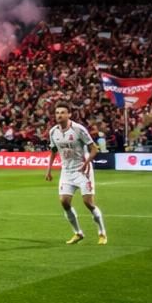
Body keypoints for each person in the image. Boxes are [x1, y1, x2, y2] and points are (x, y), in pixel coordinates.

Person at [44, 105, 108, 245]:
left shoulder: (78, 129)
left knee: (88, 203)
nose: (59, 115)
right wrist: (49, 169)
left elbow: (94, 149)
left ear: (69, 114)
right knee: (64, 202)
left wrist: (87, 163)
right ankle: (78, 233)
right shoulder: (53, 131)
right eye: (57, 112)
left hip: (82, 170)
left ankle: (102, 233)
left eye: (62, 112)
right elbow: (53, 151)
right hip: (66, 171)